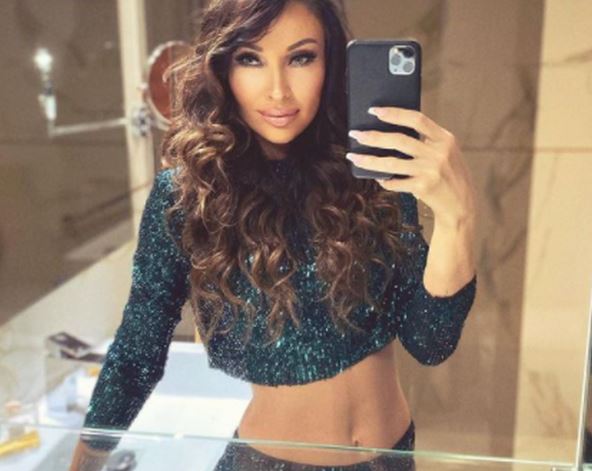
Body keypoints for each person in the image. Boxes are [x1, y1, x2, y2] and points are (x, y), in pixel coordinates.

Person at [69, 0, 478, 469]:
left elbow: (431, 341)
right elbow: (137, 351)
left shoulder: (371, 171)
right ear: (223, 68)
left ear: (330, 62)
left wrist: (458, 217)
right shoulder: (190, 193)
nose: (278, 90)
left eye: (301, 57)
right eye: (251, 58)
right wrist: (85, 461)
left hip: (392, 457)